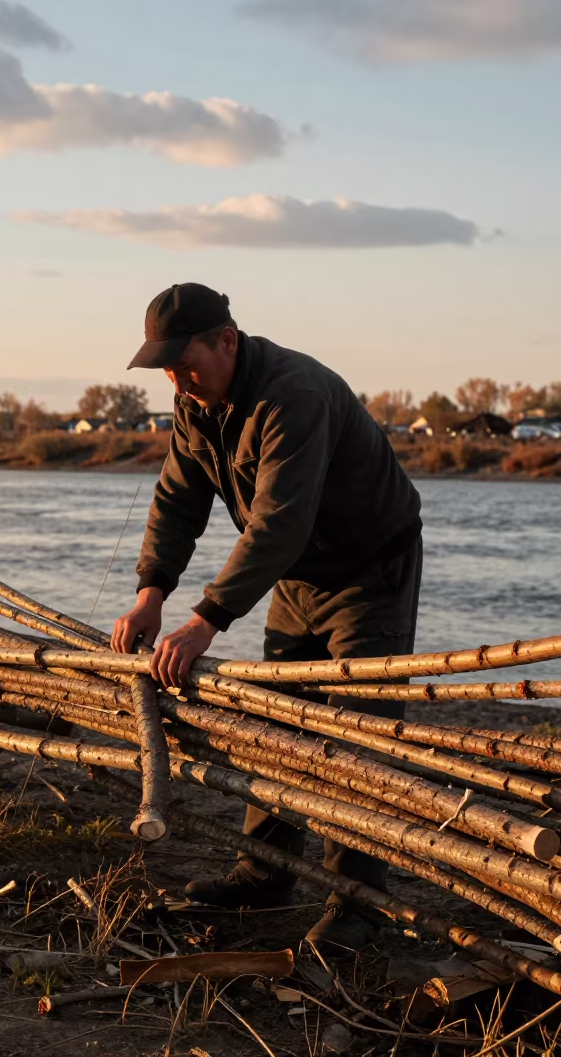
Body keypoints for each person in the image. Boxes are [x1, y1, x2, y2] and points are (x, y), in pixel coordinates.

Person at [111, 283, 422, 952]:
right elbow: (177, 497)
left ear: (226, 340)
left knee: (357, 738)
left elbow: (279, 523)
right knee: (277, 721)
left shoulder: (294, 394)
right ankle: (265, 875)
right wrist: (152, 590)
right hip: (298, 573)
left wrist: (207, 619)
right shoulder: (196, 400)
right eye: (165, 367)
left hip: (369, 572)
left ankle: (359, 905)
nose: (176, 378)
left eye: (185, 362)